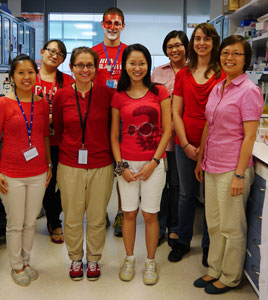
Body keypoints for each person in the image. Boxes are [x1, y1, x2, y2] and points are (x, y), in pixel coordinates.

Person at [193, 35, 264, 295]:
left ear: (246, 60)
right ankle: (214, 269)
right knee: (213, 223)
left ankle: (231, 276)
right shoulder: (218, 87)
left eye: (236, 54)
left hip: (232, 168)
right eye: (225, 53)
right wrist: (201, 159)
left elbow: (250, 136)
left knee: (232, 226)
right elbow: (208, 125)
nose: (229, 58)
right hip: (212, 165)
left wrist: (239, 174)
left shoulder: (249, 91)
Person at [0, 54, 52, 286]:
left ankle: (26, 261)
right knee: (15, 222)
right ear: (13, 77)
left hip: (37, 172)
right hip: (10, 174)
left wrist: (49, 165)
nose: (27, 77)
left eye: (31, 72)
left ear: (37, 75)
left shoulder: (42, 103)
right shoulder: (3, 104)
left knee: (30, 222)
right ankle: (16, 266)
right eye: (21, 72)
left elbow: (44, 135)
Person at [111, 44, 171, 285]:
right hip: (126, 164)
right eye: (132, 63)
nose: (137, 68)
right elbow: (114, 136)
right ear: (125, 65)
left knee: (149, 215)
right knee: (128, 214)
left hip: (153, 165)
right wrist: (121, 167)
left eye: (142, 63)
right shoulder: (119, 96)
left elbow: (167, 131)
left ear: (148, 65)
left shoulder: (160, 92)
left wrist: (153, 162)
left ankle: (150, 261)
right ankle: (129, 258)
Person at [52, 47, 114, 281]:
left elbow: (111, 128)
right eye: (80, 65)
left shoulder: (107, 95)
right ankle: (76, 259)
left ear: (96, 69)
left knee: (98, 216)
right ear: (71, 68)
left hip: (101, 163)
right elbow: (58, 130)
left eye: (89, 65)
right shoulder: (61, 96)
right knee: (73, 216)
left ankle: (95, 259)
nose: (85, 70)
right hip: (69, 164)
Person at [171, 23, 225, 265]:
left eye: (206, 38)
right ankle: (183, 240)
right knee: (186, 194)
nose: (201, 43)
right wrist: (184, 144)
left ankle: (207, 245)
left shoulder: (223, 73)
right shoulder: (183, 73)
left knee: (209, 196)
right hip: (185, 143)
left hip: (213, 143)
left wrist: (201, 149)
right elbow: (176, 111)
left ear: (214, 43)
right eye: (197, 38)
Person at [34, 39, 75, 244]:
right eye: (51, 51)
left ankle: (54, 220)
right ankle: (46, 217)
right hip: (32, 142)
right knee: (39, 183)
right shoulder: (29, 77)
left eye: (60, 54)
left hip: (59, 140)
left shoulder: (67, 81)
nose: (54, 55)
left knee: (57, 183)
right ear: (42, 52)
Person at [151, 30, 188, 248]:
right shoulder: (158, 72)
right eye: (170, 46)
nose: (174, 49)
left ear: (186, 47)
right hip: (160, 137)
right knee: (158, 184)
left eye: (178, 45)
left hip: (182, 138)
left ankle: (174, 227)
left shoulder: (193, 71)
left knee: (176, 185)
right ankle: (158, 226)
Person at [92, 7, 127, 236]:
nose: (112, 27)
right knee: (101, 169)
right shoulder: (93, 53)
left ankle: (123, 213)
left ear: (123, 26)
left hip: (124, 116)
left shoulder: (129, 52)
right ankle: (100, 212)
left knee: (122, 166)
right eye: (108, 23)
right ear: (102, 25)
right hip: (99, 117)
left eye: (117, 23)